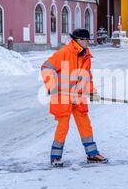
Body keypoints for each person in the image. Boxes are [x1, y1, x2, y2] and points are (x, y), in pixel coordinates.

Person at [41, 29, 108, 167]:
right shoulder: (64, 53)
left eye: (88, 40)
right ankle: (55, 157)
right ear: (78, 40)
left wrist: (91, 91)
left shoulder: (86, 55)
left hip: (78, 96)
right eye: (85, 40)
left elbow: (86, 76)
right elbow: (46, 67)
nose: (87, 43)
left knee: (85, 125)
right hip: (62, 97)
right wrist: (52, 86)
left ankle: (92, 154)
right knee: (63, 127)